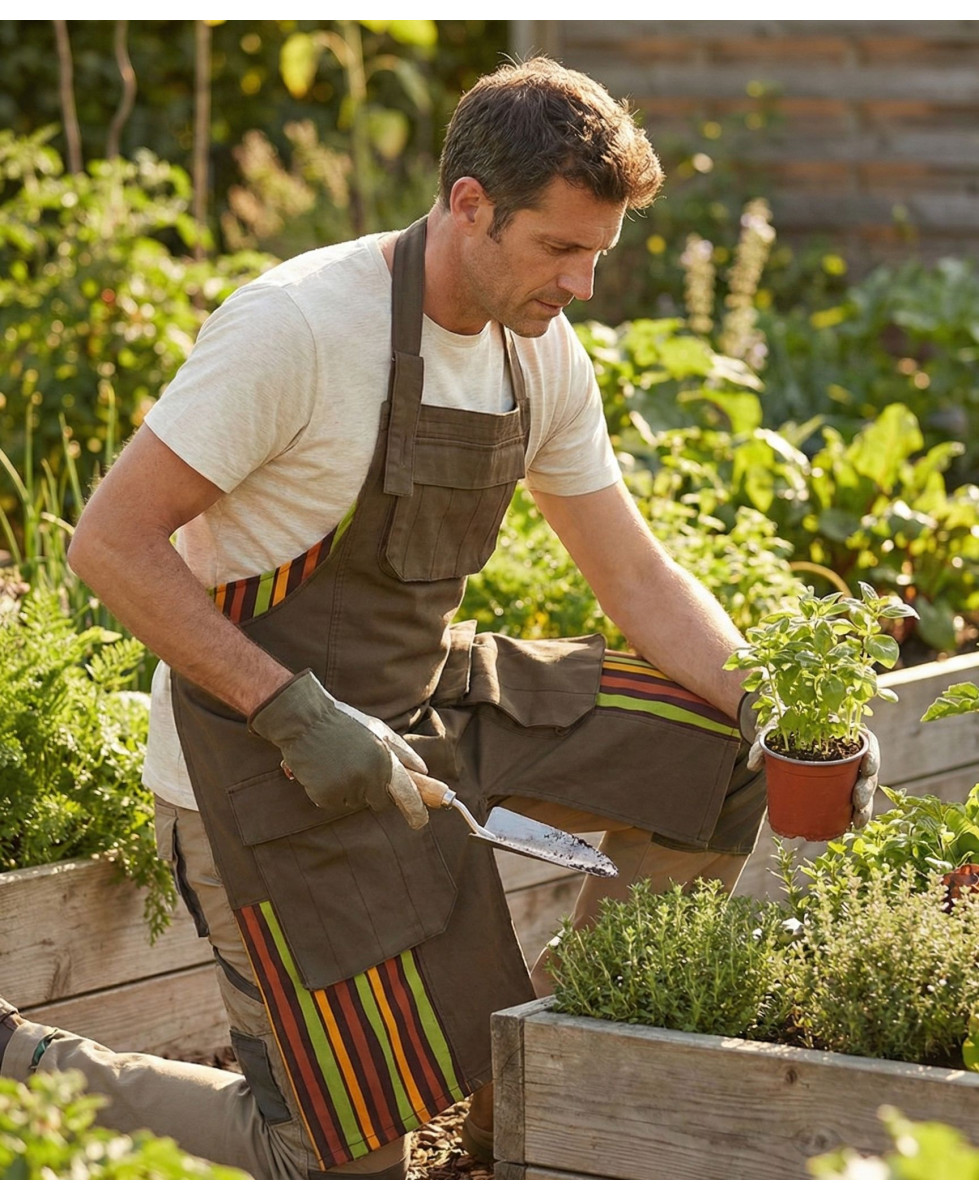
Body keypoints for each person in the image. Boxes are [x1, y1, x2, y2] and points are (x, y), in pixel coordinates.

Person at [0, 57, 876, 1180]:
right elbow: (110, 546)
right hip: (259, 760)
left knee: (717, 753)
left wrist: (784, 710)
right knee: (366, 1158)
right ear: (469, 205)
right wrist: (285, 707)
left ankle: (573, 1030)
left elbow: (639, 577)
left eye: (597, 254)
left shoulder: (539, 350)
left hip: (423, 699)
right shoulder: (300, 329)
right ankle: (25, 1066)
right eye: (560, 248)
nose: (584, 285)